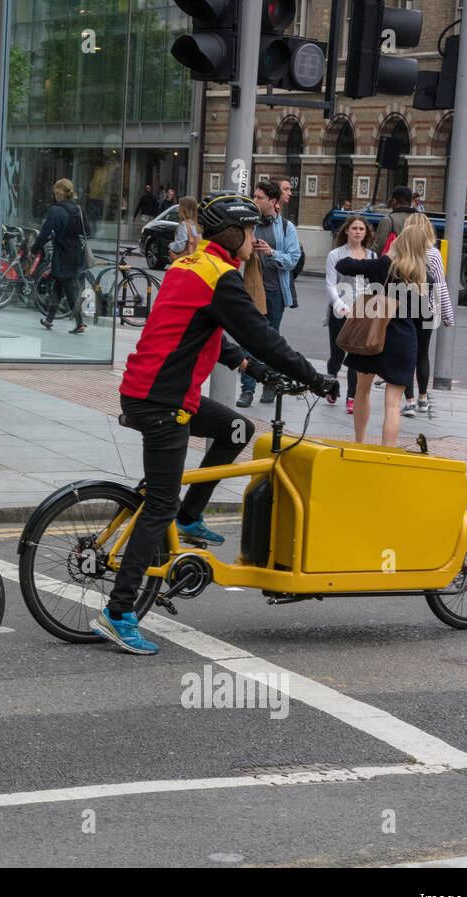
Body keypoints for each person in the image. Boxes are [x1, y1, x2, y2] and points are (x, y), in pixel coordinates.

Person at [92, 192, 338, 654]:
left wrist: (253, 370)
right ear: (237, 234)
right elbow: (261, 334)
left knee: (237, 430)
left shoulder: (189, 265)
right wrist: (313, 377)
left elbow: (199, 329)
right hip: (164, 401)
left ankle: (190, 517)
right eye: (251, 232)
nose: (255, 240)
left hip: (152, 390)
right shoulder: (221, 276)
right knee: (158, 505)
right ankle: (119, 612)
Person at [334, 222, 435, 448]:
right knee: (393, 405)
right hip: (402, 340)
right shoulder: (425, 277)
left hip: (372, 334)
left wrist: (383, 254)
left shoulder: (384, 264)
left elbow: (344, 265)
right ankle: (386, 452)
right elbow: (422, 319)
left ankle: (359, 442)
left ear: (401, 242)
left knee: (362, 391)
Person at [236, 180, 300, 407]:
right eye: (254, 196)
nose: (255, 200)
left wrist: (271, 252)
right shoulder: (248, 224)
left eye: (259, 197)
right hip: (250, 292)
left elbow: (293, 259)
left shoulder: (285, 227)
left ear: (273, 201)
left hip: (274, 294)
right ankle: (247, 389)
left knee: (270, 342)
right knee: (248, 341)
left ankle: (270, 384)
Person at [402, 212, 453, 416]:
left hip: (405, 309)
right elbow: (440, 285)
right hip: (427, 309)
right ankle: (423, 398)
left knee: (406, 354)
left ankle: (409, 401)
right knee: (422, 354)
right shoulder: (434, 254)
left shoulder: (400, 253)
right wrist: (447, 315)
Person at [324, 214, 372, 414]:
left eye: (361, 229)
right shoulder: (335, 254)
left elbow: (372, 285)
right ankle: (331, 383)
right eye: (354, 229)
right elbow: (330, 283)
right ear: (346, 231)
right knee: (337, 354)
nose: (358, 232)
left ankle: (352, 397)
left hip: (361, 311)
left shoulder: (372, 256)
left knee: (355, 356)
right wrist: (340, 305)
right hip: (339, 310)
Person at [32, 178, 89, 335]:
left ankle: (80, 322)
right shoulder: (78, 208)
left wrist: (34, 248)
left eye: (57, 192)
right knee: (59, 284)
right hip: (75, 251)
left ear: (61, 193)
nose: (55, 195)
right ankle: (49, 319)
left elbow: (44, 233)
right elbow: (88, 231)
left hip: (62, 252)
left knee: (68, 288)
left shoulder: (55, 210)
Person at [274, 176, 302, 308]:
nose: (290, 193)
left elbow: (292, 258)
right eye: (285, 189)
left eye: (290, 189)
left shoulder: (285, 223)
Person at [372, 184, 415, 254]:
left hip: (395, 263)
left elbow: (379, 247)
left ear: (394, 201)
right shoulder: (422, 221)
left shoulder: (388, 220)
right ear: (410, 203)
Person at [166, 196, 201, 260]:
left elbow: (180, 246)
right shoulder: (197, 225)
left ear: (183, 209)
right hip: (196, 259)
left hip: (185, 261)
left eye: (180, 206)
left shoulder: (184, 225)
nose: (178, 209)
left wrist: (171, 245)